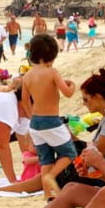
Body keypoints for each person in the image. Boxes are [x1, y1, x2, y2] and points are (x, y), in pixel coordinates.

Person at [21, 34, 77, 198]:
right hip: (51, 120)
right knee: (69, 153)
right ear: (52, 56)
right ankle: (51, 176)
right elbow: (67, 93)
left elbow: (25, 100)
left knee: (46, 159)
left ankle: (47, 194)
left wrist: (32, 116)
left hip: (35, 122)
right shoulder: (52, 72)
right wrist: (72, 85)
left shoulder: (27, 76)